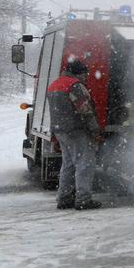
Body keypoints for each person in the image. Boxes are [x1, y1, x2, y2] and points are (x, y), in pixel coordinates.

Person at [47, 56, 103, 211]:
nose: (86, 77)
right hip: (76, 130)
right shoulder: (74, 86)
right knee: (84, 164)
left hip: (60, 131)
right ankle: (83, 200)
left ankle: (64, 199)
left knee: (68, 165)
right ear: (77, 73)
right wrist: (95, 130)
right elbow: (85, 110)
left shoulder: (54, 84)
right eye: (84, 74)